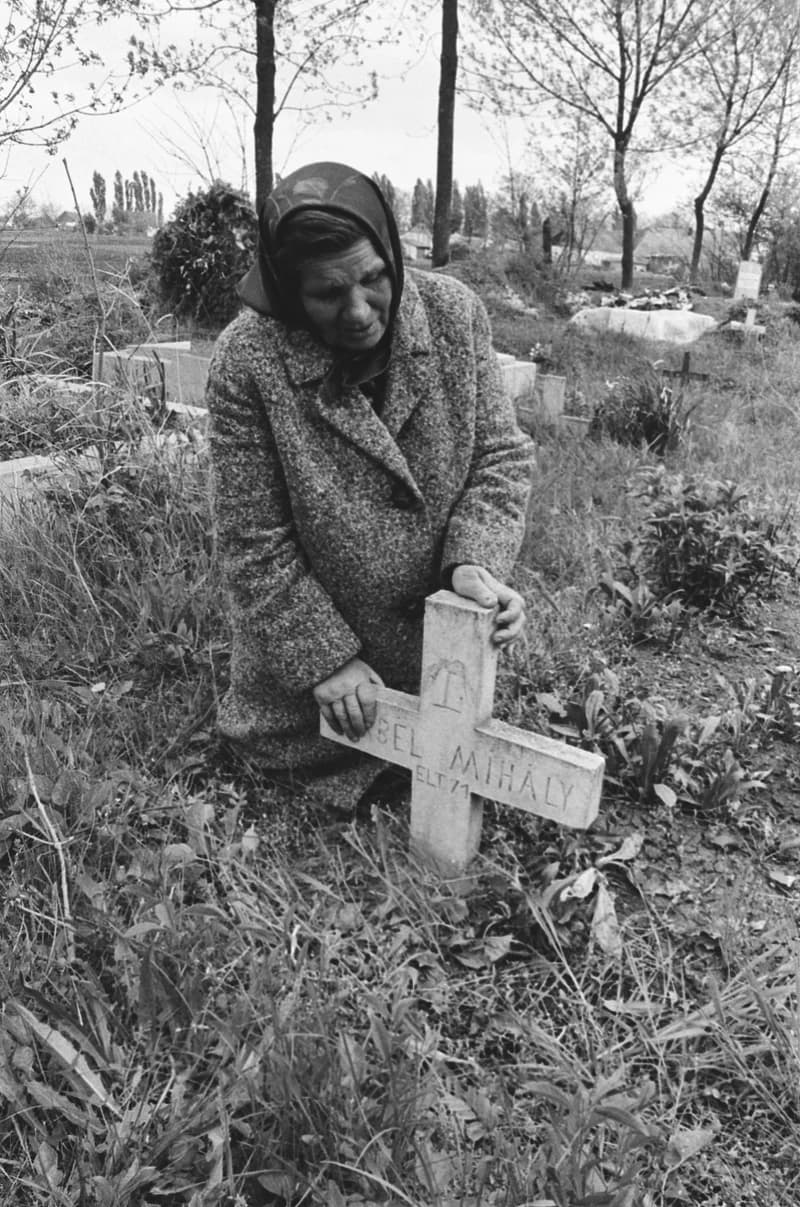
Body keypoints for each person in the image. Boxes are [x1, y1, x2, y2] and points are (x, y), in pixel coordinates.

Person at [205, 161, 535, 808]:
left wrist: (475, 563)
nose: (358, 311)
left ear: (390, 254)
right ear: (287, 289)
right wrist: (324, 658)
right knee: (309, 767)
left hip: (437, 679)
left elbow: (500, 454)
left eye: (374, 278)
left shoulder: (453, 317)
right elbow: (252, 542)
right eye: (326, 293)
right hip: (314, 713)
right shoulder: (248, 362)